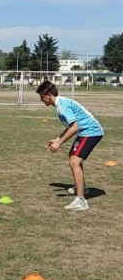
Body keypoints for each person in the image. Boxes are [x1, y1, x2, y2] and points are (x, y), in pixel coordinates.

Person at [36, 81, 104, 211]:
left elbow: (75, 127)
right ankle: (82, 188)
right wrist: (58, 139)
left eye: (42, 97)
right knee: (73, 156)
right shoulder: (61, 104)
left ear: (48, 95)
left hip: (91, 131)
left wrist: (59, 143)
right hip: (85, 132)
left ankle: (81, 201)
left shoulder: (62, 105)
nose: (41, 100)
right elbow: (70, 127)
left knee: (74, 162)